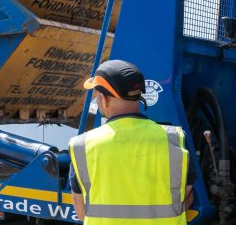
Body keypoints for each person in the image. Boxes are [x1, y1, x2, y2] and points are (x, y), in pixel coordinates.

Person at [69, 60, 194, 224]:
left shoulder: (82, 146)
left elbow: (81, 210)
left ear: (104, 99)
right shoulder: (174, 139)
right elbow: (186, 196)